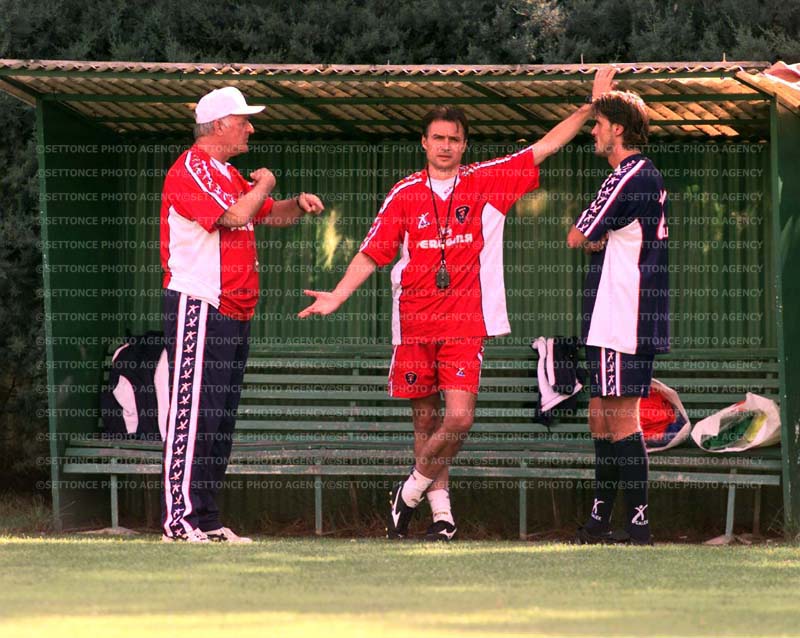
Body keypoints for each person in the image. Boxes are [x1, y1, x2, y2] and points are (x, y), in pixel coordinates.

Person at [299, 69, 616, 541]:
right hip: (413, 321)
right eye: (438, 138)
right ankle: (442, 516)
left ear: (464, 145)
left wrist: (591, 109)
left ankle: (408, 492)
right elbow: (372, 252)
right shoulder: (405, 193)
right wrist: (338, 295)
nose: (445, 146)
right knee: (426, 421)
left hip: (466, 322)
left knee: (460, 419)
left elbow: (543, 148)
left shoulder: (487, 181)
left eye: (454, 139)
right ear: (424, 143)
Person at [159, 86, 324, 542]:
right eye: (243, 121)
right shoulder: (189, 169)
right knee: (193, 415)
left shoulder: (227, 174)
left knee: (218, 420)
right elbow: (232, 217)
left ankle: (207, 520)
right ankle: (180, 521)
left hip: (233, 311)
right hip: (200, 303)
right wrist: (264, 184)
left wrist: (296, 205)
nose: (250, 128)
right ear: (218, 126)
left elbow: (266, 215)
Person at [566, 88, 670, 545]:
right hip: (614, 315)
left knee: (622, 416)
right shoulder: (643, 175)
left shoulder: (628, 174)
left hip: (622, 313)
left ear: (618, 130)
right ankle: (599, 522)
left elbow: (577, 235)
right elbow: (601, 236)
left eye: (598, 124)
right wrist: (599, 237)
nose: (593, 131)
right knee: (600, 414)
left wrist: (593, 235)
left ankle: (638, 526)